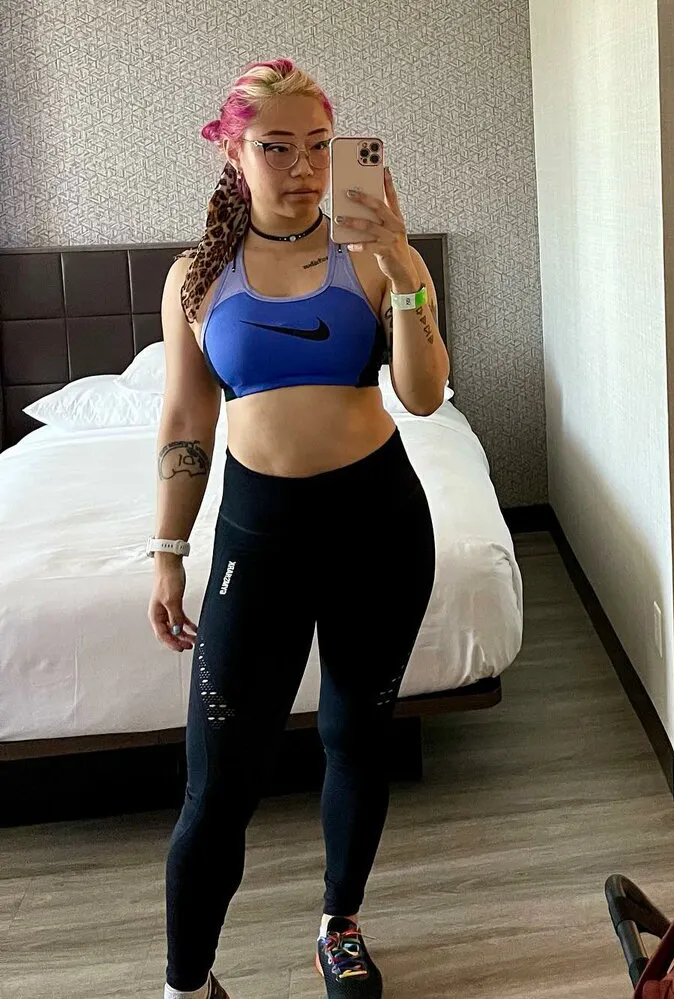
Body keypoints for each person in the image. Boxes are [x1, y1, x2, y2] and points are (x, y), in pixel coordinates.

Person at [146, 58, 449, 999]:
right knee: (218, 784)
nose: (305, 167)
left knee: (356, 736)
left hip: (379, 528)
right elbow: (186, 420)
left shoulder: (375, 257)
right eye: (276, 147)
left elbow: (424, 395)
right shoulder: (198, 276)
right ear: (234, 154)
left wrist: (405, 269)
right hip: (259, 538)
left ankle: (339, 922)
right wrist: (167, 551)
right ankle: (187, 983)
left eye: (319, 145)